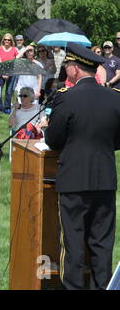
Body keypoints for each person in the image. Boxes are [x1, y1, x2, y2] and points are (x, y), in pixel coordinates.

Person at [45, 42, 120, 290]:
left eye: (67, 65)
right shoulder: (114, 98)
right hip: (105, 179)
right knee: (102, 243)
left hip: (73, 179)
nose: (66, 69)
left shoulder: (66, 98)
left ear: (74, 69)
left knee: (74, 242)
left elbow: (53, 140)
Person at [0, 33, 18, 113]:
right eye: (5, 39)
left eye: (9, 40)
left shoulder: (14, 50)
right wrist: (3, 73)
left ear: (11, 41)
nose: (7, 41)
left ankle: (7, 107)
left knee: (9, 91)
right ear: (3, 40)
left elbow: (15, 62)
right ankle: (0, 108)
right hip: (1, 73)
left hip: (11, 73)